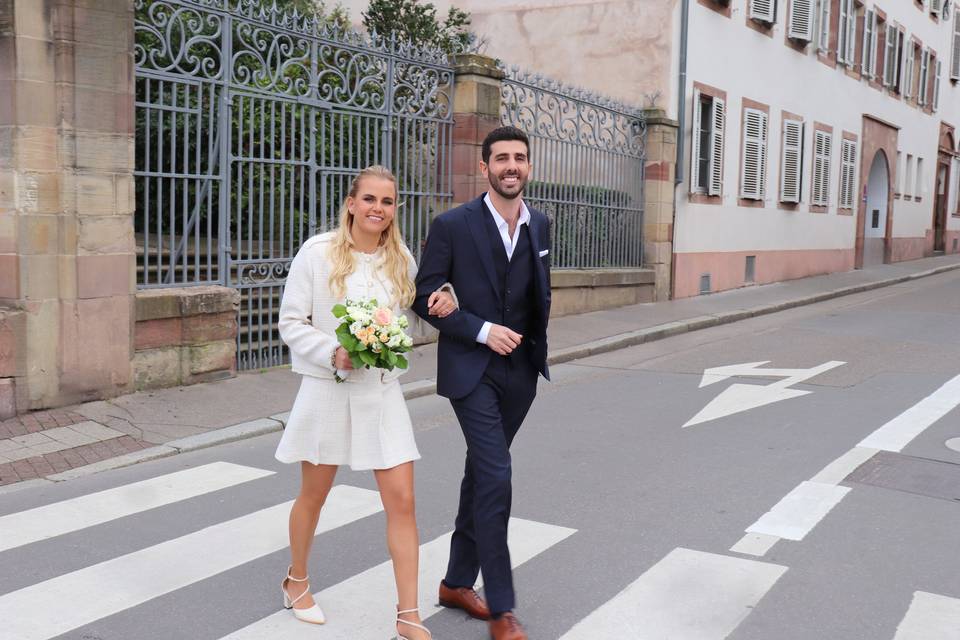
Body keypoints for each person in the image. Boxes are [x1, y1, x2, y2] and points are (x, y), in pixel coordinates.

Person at [276, 165, 457, 640]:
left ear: (395, 209)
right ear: (352, 203)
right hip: (328, 390)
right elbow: (291, 322)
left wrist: (443, 302)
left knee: (403, 501)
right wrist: (332, 352)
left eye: (388, 202)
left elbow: (415, 316)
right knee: (313, 496)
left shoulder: (400, 259)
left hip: (380, 393)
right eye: (370, 199)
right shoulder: (317, 253)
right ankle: (296, 581)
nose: (378, 209)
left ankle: (408, 615)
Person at [412, 126, 551, 640]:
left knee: (481, 477)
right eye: (501, 159)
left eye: (519, 158)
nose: (510, 166)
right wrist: (480, 328)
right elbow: (424, 294)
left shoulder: (541, 224)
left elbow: (539, 294)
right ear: (484, 167)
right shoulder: (453, 224)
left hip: (521, 375)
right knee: (496, 476)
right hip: (472, 371)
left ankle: (454, 582)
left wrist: (533, 349)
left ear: (528, 167)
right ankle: (502, 610)